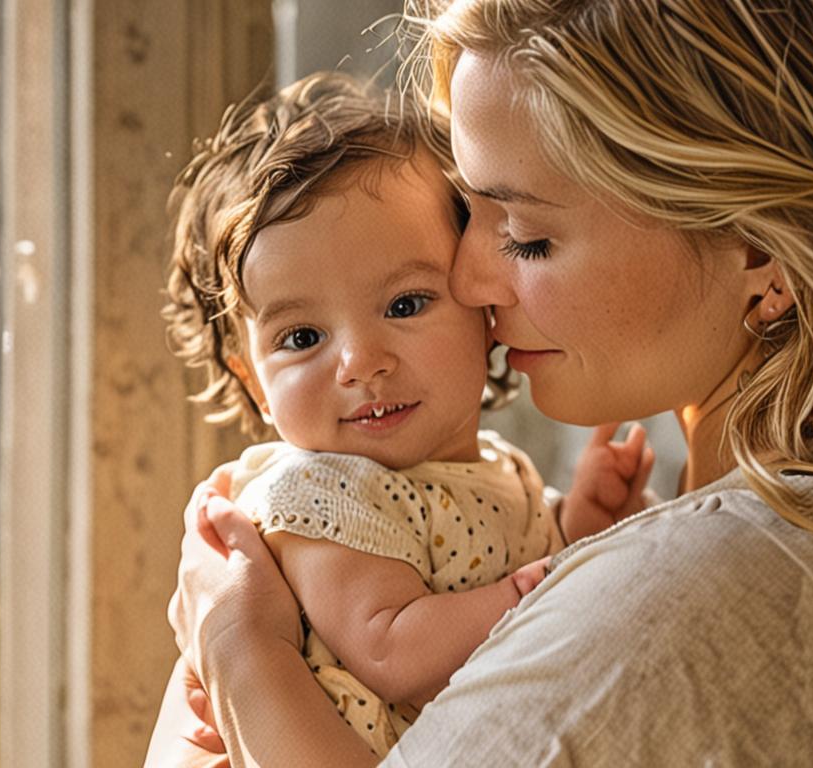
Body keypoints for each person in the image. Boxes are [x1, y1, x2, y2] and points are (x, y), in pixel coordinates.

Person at [151, 1, 813, 765]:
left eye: (526, 234)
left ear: (766, 254)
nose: (468, 280)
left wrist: (239, 648)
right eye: (467, 217)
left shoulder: (711, 591)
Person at [158, 71, 656, 758]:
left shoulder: (497, 469)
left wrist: (579, 525)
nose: (361, 362)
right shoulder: (317, 494)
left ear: (481, 305)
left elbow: (504, 555)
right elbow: (389, 646)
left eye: (405, 305)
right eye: (302, 338)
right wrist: (539, 590)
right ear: (253, 379)